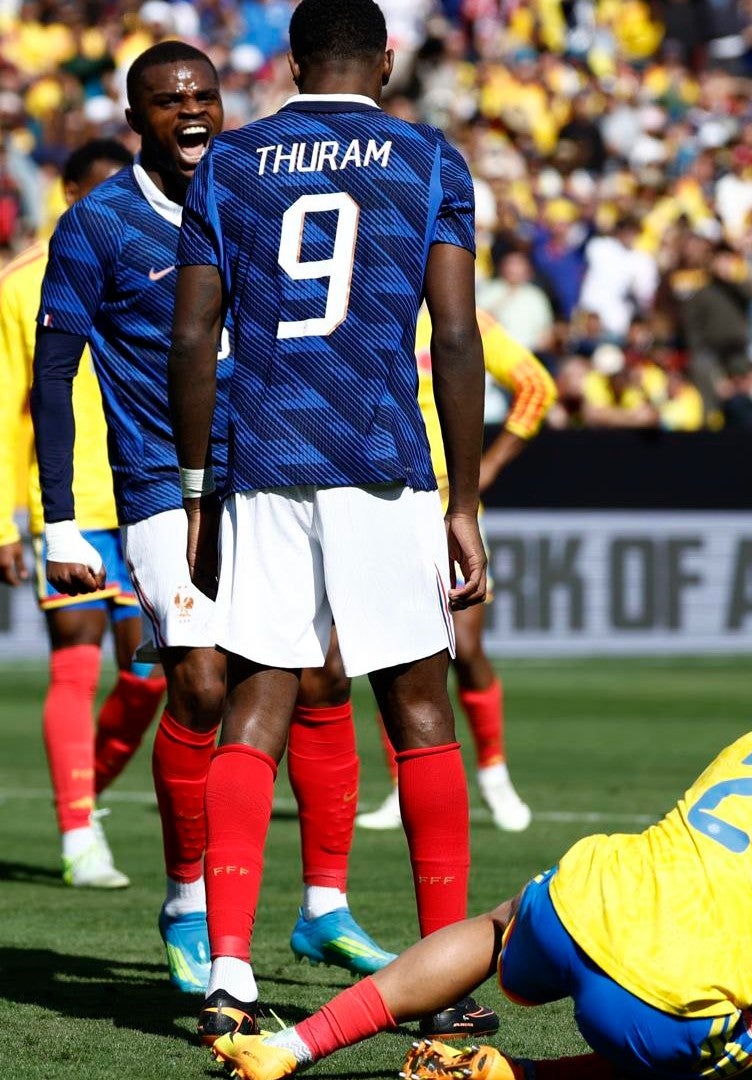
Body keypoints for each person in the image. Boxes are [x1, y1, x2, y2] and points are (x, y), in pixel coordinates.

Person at [166, 0, 495, 1045]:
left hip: (264, 458)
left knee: (255, 706)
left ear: (294, 61)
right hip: (380, 459)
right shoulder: (429, 159)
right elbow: (453, 333)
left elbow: (191, 332)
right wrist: (467, 500)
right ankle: (437, 976)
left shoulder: (231, 162)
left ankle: (226, 971)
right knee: (418, 709)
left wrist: (193, 490)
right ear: (387, 62)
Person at [31, 44, 390, 995]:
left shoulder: (262, 191)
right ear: (135, 118)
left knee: (321, 677)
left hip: (274, 469)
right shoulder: (98, 226)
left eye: (203, 95)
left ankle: (325, 909)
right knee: (196, 679)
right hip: (158, 481)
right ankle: (187, 901)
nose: (189, 112)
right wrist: (59, 521)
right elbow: (52, 375)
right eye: (166, 101)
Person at [213, 698, 752, 1080]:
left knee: (499, 925)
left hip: (578, 906)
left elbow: (743, 919)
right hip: (659, 999)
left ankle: (289, 1046)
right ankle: (509, 1075)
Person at [0, 136, 162, 890]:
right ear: (67, 192)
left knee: (150, 677)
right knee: (76, 663)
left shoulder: (158, 255)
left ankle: (86, 799)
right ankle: (79, 833)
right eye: (98, 189)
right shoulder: (21, 285)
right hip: (72, 506)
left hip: (147, 494)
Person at [360, 308, 555, 834]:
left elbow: (537, 386)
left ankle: (494, 776)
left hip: (451, 506)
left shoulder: (459, 314)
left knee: (465, 650)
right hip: (385, 499)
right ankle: (404, 785)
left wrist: (484, 469)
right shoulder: (374, 300)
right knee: (391, 649)